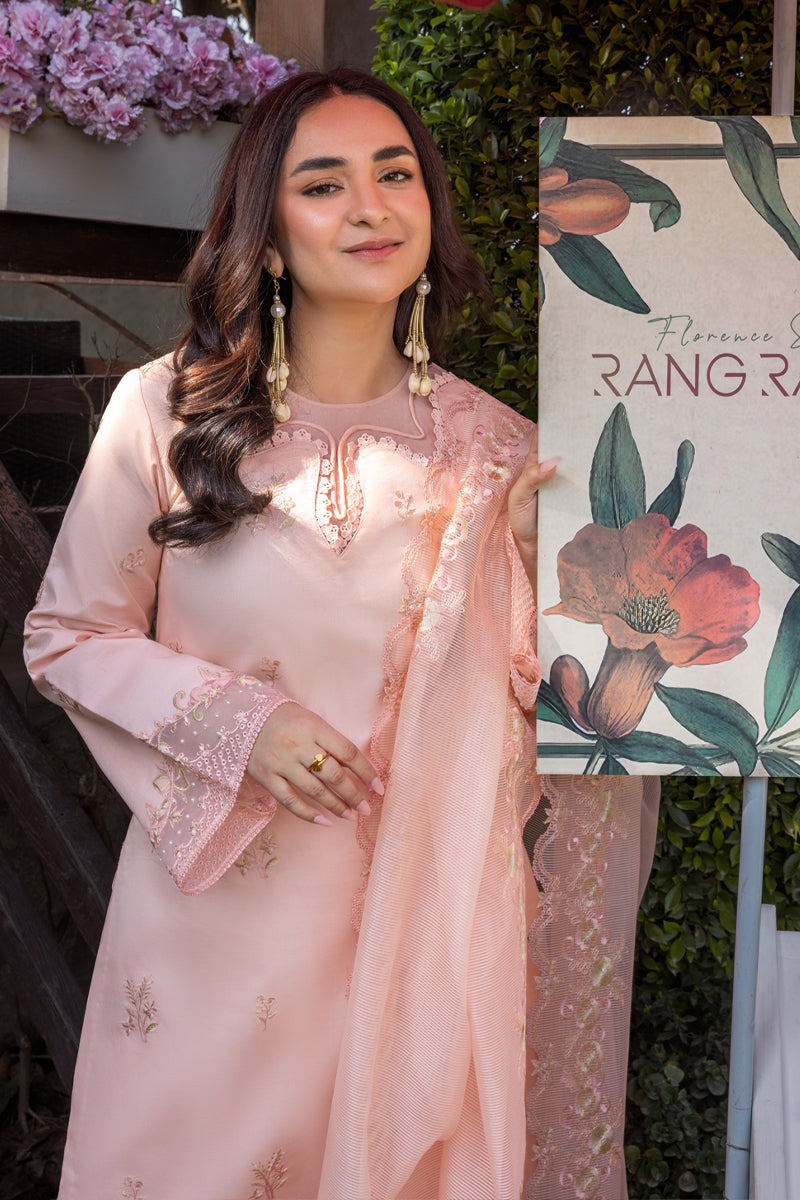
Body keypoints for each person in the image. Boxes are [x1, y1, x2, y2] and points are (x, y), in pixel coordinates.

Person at [24, 69, 657, 1200]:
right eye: (323, 185)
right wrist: (242, 725)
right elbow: (68, 635)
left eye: (394, 174)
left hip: (421, 954)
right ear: (266, 236)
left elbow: (554, 728)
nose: (370, 208)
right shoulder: (166, 415)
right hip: (215, 939)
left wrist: (529, 576)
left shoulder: (503, 453)